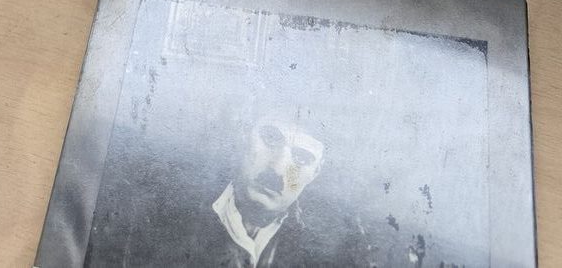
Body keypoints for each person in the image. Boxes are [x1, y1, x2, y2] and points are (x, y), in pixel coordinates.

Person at [83, 107, 369, 268]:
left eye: (301, 158)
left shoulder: (334, 254)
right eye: (271, 139)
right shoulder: (155, 217)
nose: (278, 168)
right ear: (243, 135)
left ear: (315, 173)